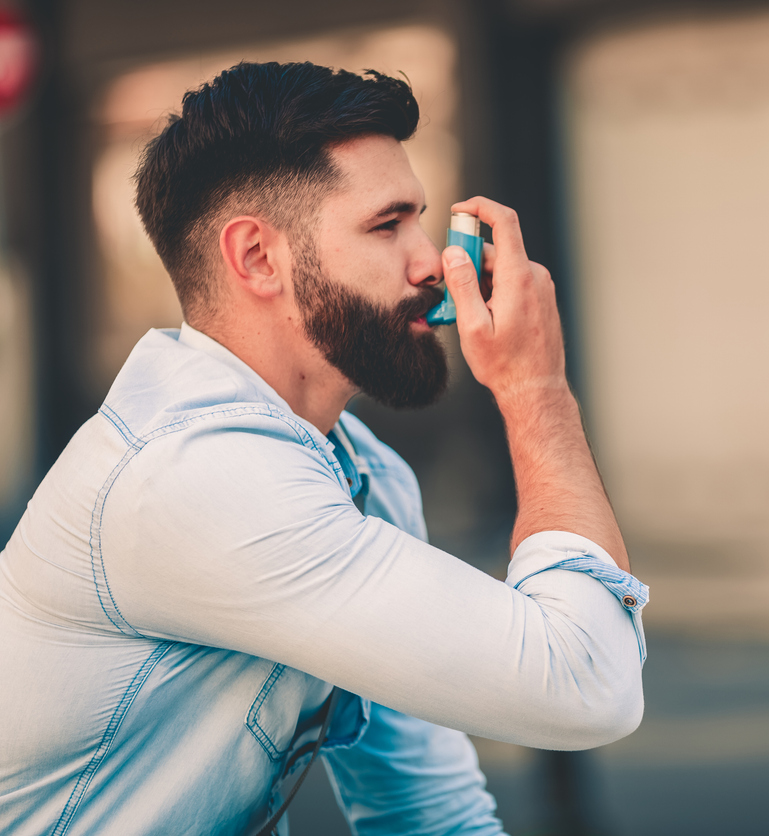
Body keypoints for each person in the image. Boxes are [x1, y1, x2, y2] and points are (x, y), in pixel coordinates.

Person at [0, 62, 648, 835]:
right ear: (257, 258)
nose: (432, 264)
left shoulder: (362, 472)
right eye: (387, 224)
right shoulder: (193, 476)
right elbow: (587, 684)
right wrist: (535, 389)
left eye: (421, 221)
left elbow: (427, 811)